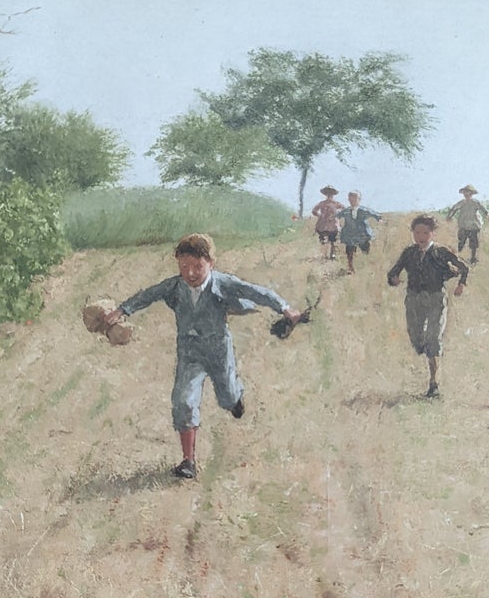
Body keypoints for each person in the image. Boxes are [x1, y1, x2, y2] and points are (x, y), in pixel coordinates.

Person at [111, 234, 300, 479]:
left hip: (219, 350)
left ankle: (234, 401)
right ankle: (188, 461)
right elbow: (148, 295)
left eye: (197, 267)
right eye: (184, 267)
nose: (190, 273)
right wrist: (121, 310)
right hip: (189, 351)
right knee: (183, 400)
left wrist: (285, 308)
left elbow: (256, 292)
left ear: (211, 263)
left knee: (227, 393)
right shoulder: (174, 286)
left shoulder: (223, 283)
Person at [386, 214, 468, 399]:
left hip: (436, 298)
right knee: (416, 338)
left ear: (432, 233)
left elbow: (464, 268)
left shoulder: (441, 252)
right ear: (413, 233)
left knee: (433, 338)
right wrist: (394, 279)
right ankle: (424, 348)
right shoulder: (409, 253)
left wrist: (461, 284)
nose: (421, 236)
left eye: (425, 232)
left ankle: (434, 384)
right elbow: (393, 272)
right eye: (417, 232)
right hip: (414, 299)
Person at [337, 191, 382, 274]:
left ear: (359, 199)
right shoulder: (346, 211)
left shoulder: (363, 210)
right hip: (349, 234)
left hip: (362, 234)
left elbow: (374, 214)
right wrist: (337, 224)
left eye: (354, 198)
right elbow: (338, 216)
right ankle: (351, 268)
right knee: (349, 251)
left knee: (365, 248)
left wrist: (379, 218)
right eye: (350, 198)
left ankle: (366, 267)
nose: (352, 200)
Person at [444, 185, 489, 266]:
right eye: (465, 192)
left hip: (474, 226)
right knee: (461, 242)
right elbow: (454, 209)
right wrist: (449, 216)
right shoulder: (462, 202)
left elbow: (483, 209)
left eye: (468, 192)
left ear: (471, 193)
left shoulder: (475, 202)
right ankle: (457, 257)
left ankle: (473, 258)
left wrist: (487, 215)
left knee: (474, 244)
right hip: (463, 225)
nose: (466, 193)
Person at [311, 185, 342, 260]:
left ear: (333, 195)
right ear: (325, 194)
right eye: (328, 193)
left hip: (333, 224)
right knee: (324, 240)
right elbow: (314, 211)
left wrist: (337, 215)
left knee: (333, 240)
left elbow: (344, 210)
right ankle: (324, 254)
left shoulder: (336, 203)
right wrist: (320, 216)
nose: (329, 195)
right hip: (323, 225)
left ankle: (332, 255)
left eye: (331, 193)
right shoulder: (322, 203)